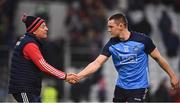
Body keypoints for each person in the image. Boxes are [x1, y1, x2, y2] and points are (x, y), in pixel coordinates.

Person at [68, 13, 179, 102]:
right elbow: (97, 63)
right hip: (120, 88)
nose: (108, 30)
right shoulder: (111, 44)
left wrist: (172, 75)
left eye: (111, 27)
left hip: (138, 88)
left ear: (121, 26)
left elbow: (159, 58)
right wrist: (79, 76)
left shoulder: (142, 40)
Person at [8, 14, 78, 102]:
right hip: (24, 89)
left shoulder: (27, 41)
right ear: (34, 30)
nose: (47, 29)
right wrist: (65, 76)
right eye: (43, 27)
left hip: (29, 89)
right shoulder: (30, 44)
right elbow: (43, 65)